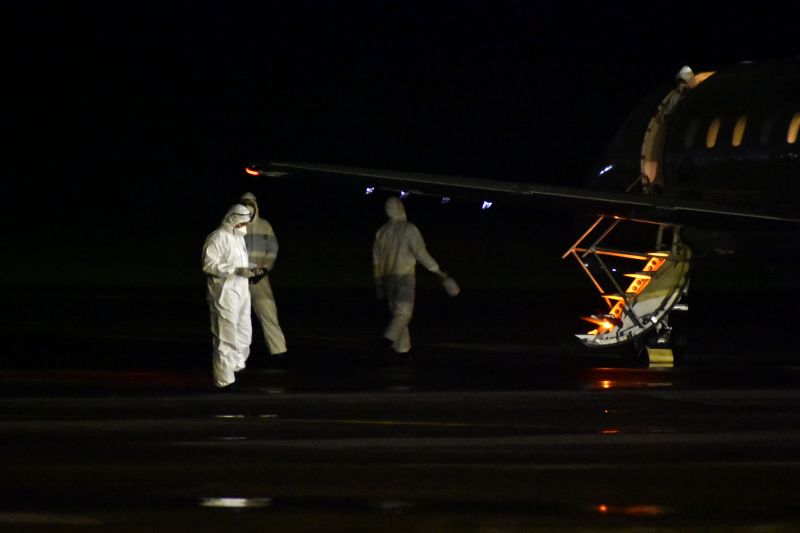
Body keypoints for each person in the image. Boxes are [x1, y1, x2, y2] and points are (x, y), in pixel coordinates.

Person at [373, 196, 450, 357]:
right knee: (403, 315)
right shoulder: (409, 229)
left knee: (399, 318)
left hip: (388, 279)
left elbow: (377, 261)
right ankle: (385, 344)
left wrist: (379, 284)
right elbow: (421, 254)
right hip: (404, 278)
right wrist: (437, 271)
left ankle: (403, 351)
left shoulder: (381, 232)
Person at [202, 204, 261, 389]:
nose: (244, 226)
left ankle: (234, 369)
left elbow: (239, 262)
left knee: (244, 332)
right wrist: (235, 270)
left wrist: (251, 268)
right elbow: (208, 265)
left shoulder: (237, 239)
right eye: (241, 222)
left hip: (241, 290)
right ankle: (224, 381)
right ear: (232, 219)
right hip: (224, 293)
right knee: (226, 335)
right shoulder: (217, 238)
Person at [240, 192, 288, 358]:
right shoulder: (235, 226)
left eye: (250, 204)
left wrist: (265, 268)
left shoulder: (264, 225)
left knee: (268, 312)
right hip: (239, 277)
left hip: (259, 278)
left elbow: (272, 249)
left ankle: (278, 351)